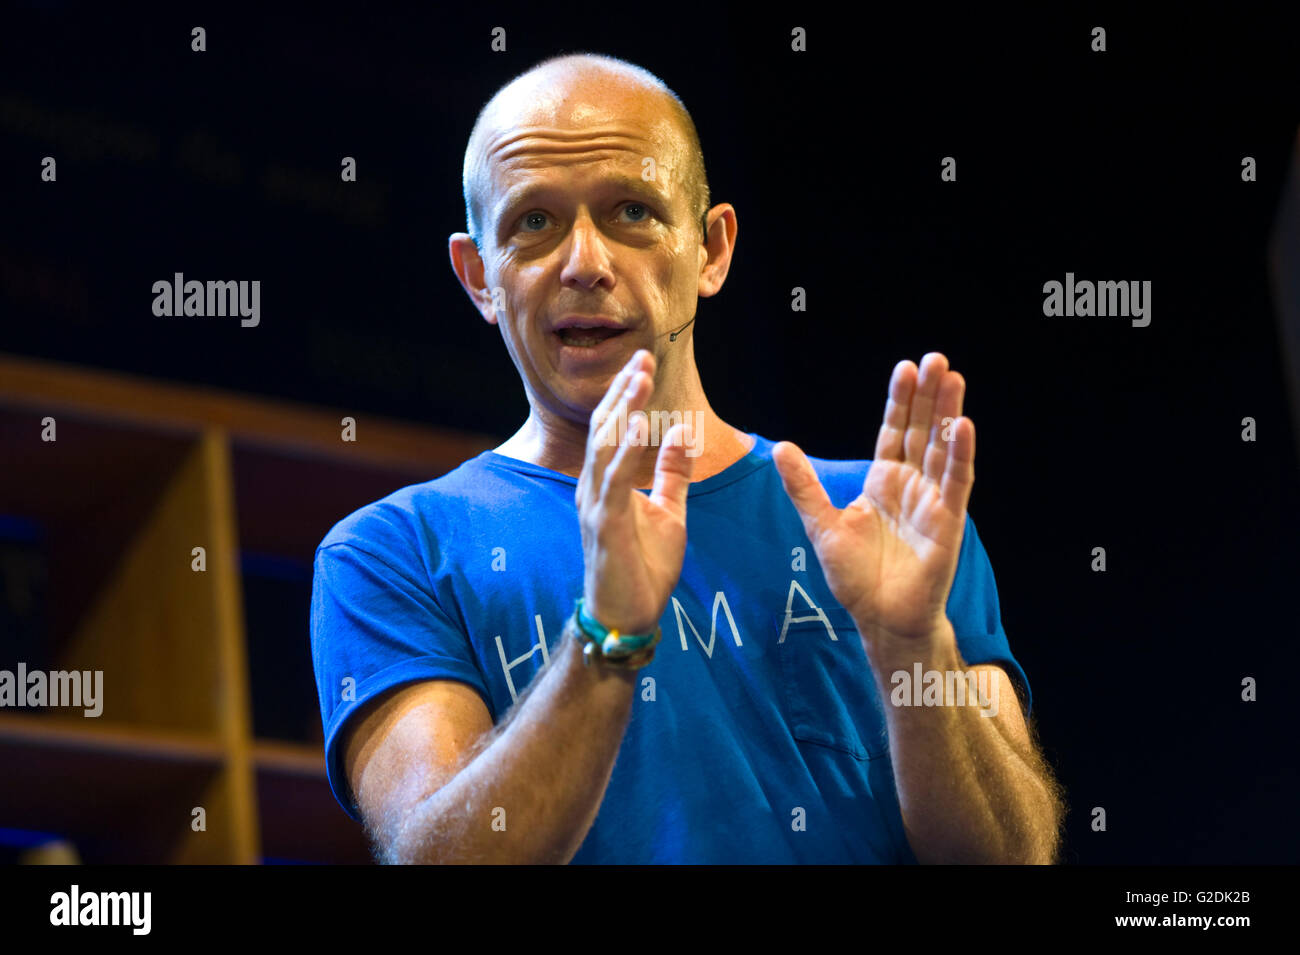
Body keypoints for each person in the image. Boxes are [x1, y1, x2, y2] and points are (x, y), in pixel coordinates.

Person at [310, 52, 1065, 864]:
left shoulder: (886, 516)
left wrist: (913, 645)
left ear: (712, 248)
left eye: (631, 210)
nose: (585, 263)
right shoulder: (392, 554)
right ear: (480, 278)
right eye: (534, 222)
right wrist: (606, 640)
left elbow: (1012, 856)